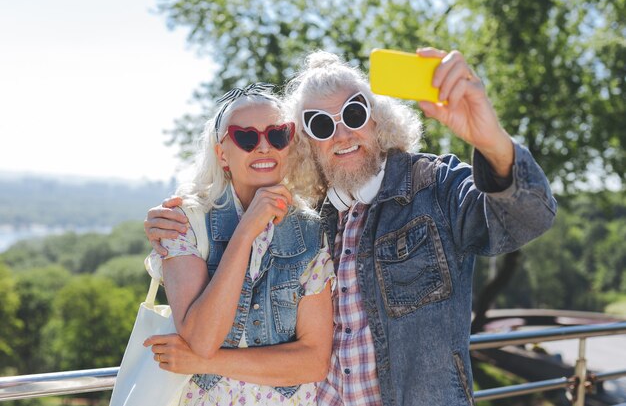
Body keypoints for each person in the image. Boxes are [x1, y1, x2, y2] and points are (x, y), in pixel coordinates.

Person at [144, 48, 557, 406]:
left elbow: (526, 218)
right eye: (321, 125)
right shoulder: (311, 220)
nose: (341, 133)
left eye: (354, 113)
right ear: (306, 142)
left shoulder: (433, 186)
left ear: (377, 119)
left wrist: (491, 140)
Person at [142, 83, 335, 406]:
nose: (263, 147)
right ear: (222, 154)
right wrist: (245, 231)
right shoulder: (184, 221)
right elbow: (202, 338)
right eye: (245, 137)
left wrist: (205, 363)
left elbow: (313, 361)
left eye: (277, 135)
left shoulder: (313, 234)